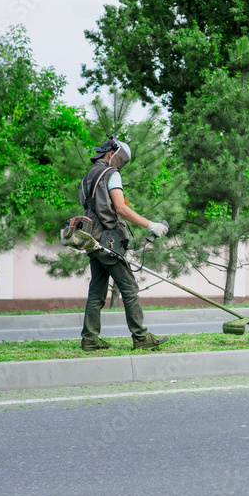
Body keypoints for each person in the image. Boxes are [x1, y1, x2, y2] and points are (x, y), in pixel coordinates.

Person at [79, 136, 170, 351]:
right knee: (129, 288)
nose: (120, 165)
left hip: (92, 238)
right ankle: (140, 337)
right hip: (109, 240)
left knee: (96, 292)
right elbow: (120, 208)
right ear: (111, 153)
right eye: (120, 159)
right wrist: (151, 225)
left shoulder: (87, 177)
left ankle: (89, 340)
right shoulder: (111, 174)